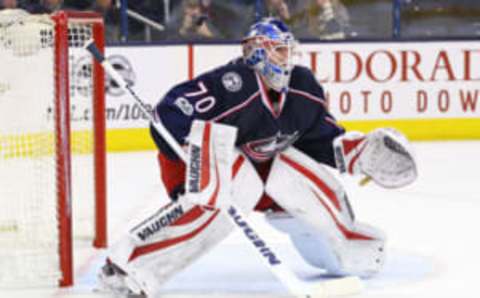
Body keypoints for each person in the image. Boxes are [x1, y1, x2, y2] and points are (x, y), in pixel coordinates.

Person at [98, 18, 417, 297]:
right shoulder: (232, 84)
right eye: (279, 50)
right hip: (201, 169)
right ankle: (128, 266)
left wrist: (355, 152)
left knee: (298, 177)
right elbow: (171, 109)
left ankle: (348, 250)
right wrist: (188, 143)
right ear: (257, 51)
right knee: (233, 184)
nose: (287, 58)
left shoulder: (303, 87)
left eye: (288, 50)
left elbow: (319, 137)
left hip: (266, 172)